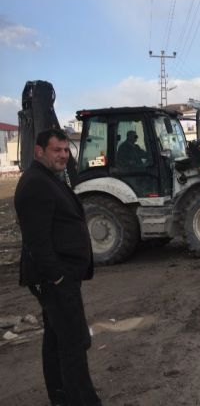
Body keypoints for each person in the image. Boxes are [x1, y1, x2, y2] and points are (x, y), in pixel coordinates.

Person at [14, 129, 102, 406]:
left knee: (56, 338)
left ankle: (61, 397)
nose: (63, 155)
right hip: (55, 278)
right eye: (57, 150)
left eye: (66, 150)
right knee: (74, 342)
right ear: (39, 151)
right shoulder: (35, 184)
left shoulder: (48, 179)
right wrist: (59, 277)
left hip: (59, 275)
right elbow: (37, 241)